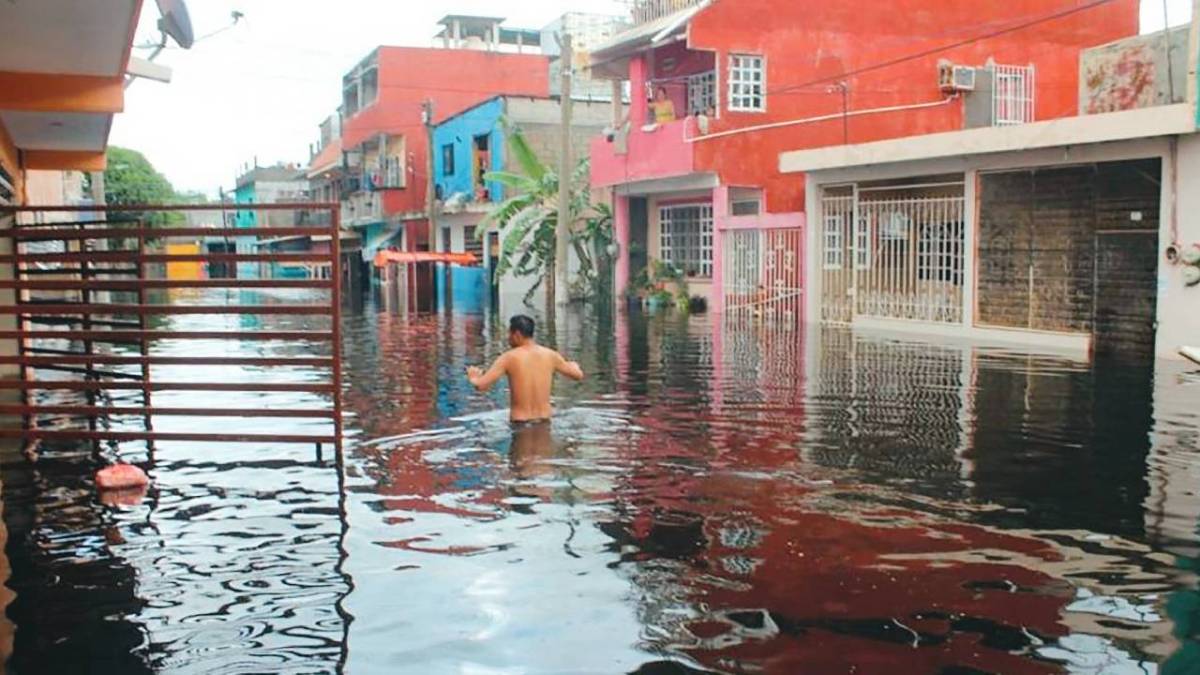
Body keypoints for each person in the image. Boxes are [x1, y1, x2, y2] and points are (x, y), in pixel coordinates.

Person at [467, 315, 584, 423]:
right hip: (544, 421)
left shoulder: (508, 357)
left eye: (510, 334)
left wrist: (474, 377)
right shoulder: (550, 355)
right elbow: (578, 375)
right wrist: (574, 365)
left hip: (520, 422)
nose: (509, 338)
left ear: (517, 334)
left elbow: (481, 386)